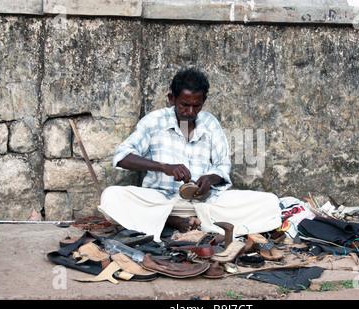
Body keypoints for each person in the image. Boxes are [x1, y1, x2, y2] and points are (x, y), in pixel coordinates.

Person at [98, 68, 281, 242]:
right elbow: (122, 157)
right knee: (111, 197)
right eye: (184, 105)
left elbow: (223, 166)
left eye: (197, 105)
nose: (191, 112)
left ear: (204, 101)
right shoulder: (154, 121)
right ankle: (172, 220)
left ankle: (181, 222)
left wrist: (210, 179)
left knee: (270, 203)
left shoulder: (210, 123)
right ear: (172, 99)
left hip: (205, 203)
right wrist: (163, 167)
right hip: (161, 201)